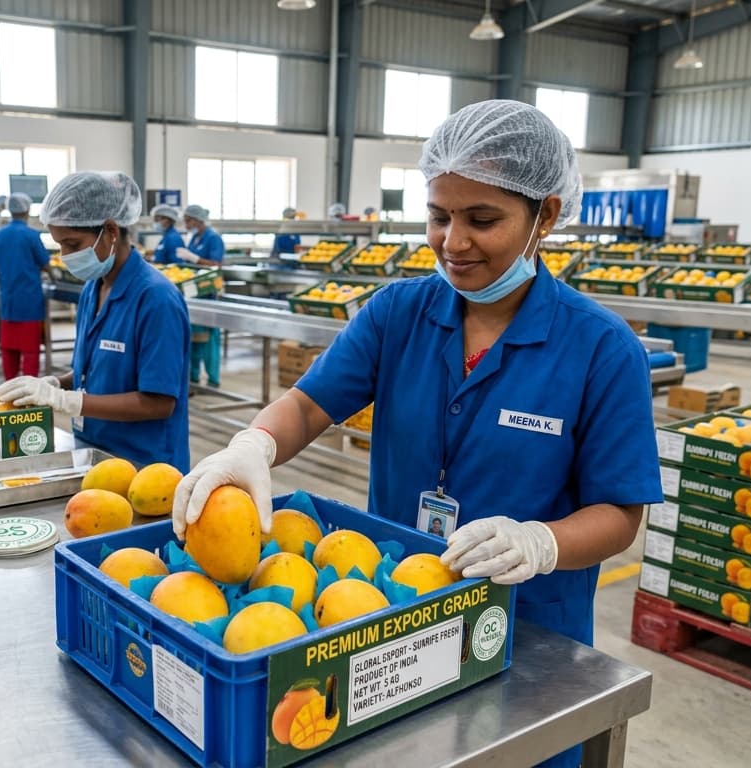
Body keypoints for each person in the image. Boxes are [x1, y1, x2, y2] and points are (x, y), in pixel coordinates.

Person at [171, 100, 660, 768]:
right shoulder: (398, 313)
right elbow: (312, 405)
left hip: (523, 639)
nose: (453, 242)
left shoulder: (601, 350)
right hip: (385, 630)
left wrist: (542, 542)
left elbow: (618, 512)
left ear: (545, 215)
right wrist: (253, 444)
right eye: (439, 216)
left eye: (482, 219)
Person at [0, 172, 190, 472]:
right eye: (59, 245)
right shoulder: (93, 288)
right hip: (93, 452)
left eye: (73, 244)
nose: (65, 256)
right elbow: (94, 369)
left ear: (111, 230)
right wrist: (53, 384)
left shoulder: (156, 298)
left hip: (144, 466)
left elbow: (158, 403)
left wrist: (71, 401)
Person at [0, 192, 50, 379]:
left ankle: (9, 387)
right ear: (28, 210)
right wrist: (55, 276)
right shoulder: (31, 235)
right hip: (29, 301)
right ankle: (29, 390)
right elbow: (45, 262)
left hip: (8, 300)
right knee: (30, 350)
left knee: (9, 349)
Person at [181, 204, 224, 388]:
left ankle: (213, 378)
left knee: (209, 339)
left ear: (197, 220)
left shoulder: (213, 238)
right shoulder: (195, 238)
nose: (186, 223)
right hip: (193, 294)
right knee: (194, 338)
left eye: (188, 220)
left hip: (207, 294)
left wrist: (195, 259)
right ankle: (194, 377)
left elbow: (216, 264)